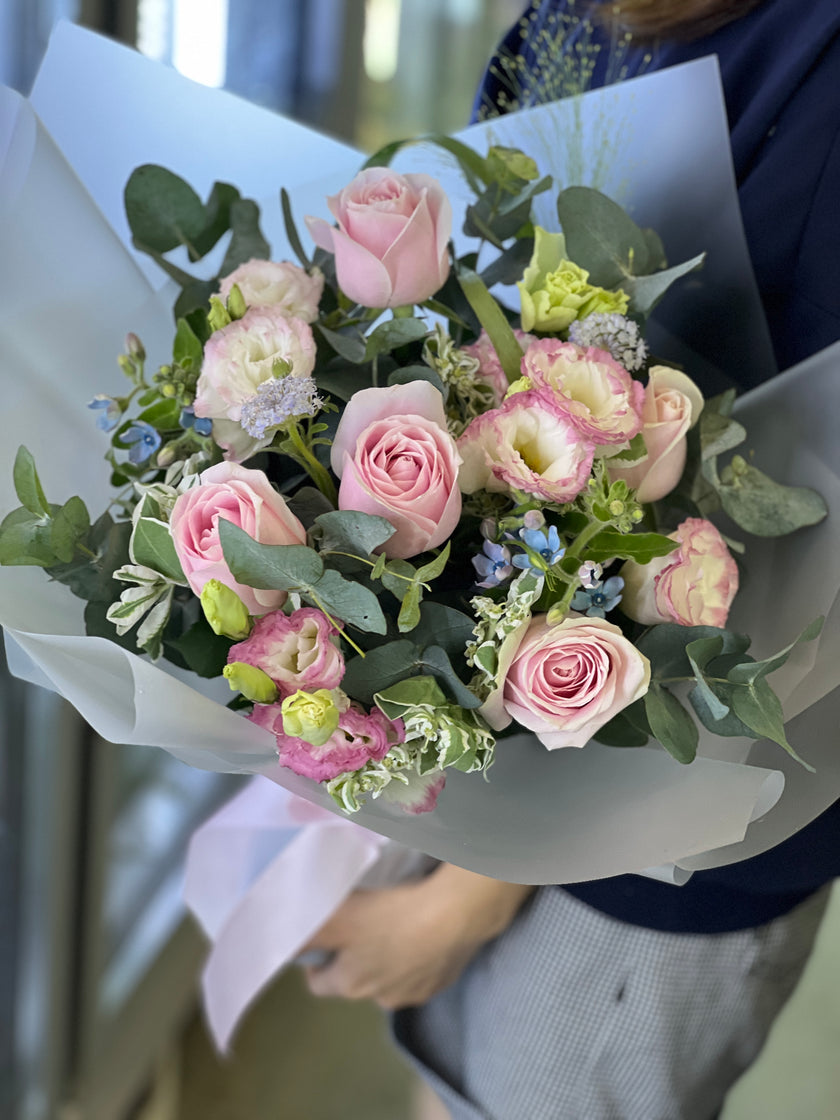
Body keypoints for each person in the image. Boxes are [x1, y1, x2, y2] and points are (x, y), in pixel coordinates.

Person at [302, 2, 840, 1117]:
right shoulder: (576, 16)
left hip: (685, 838)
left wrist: (469, 895)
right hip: (505, 752)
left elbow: (809, 570)